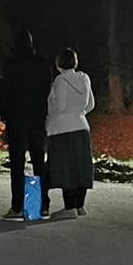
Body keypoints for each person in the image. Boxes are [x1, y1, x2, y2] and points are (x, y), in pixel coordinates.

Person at [0, 28, 56, 220]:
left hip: (17, 118)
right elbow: (48, 88)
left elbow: (4, 91)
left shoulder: (11, 65)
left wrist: (4, 114)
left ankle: (18, 205)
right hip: (37, 117)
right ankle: (40, 205)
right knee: (39, 162)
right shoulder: (42, 64)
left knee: (17, 163)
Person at [44, 47, 97, 215]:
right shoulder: (85, 78)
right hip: (81, 126)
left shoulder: (60, 81)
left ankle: (69, 207)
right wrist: (79, 113)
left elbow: (60, 106)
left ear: (58, 64)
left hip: (62, 128)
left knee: (66, 167)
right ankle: (80, 205)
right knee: (81, 166)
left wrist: (49, 115)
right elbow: (91, 104)